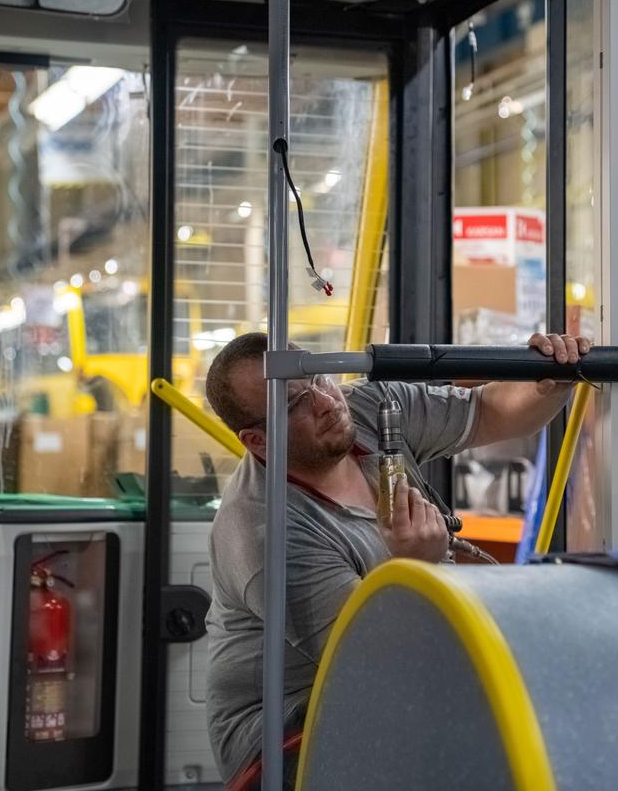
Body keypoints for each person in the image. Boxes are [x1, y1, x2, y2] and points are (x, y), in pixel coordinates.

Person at [203, 330, 591, 782]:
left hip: (388, 679)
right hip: (284, 733)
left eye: (319, 377)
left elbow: (489, 412)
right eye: (293, 405)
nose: (326, 402)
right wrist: (416, 567)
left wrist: (549, 383)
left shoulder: (367, 409)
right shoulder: (264, 533)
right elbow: (370, 658)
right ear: (258, 441)